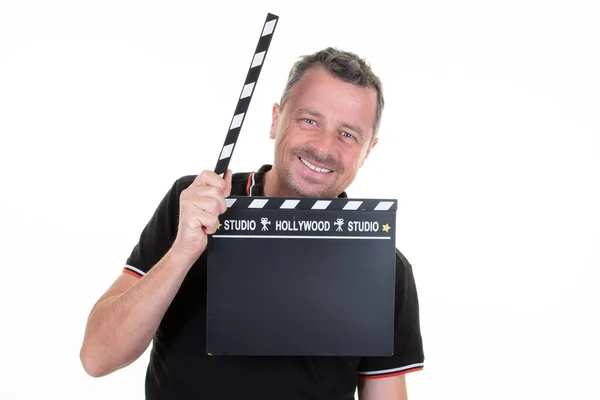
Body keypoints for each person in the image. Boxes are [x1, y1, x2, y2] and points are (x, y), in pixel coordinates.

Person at [80, 47, 424, 400]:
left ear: (368, 151)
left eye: (348, 134)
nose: (324, 146)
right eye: (309, 120)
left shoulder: (382, 266)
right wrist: (182, 253)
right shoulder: (195, 205)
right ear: (275, 119)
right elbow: (97, 358)